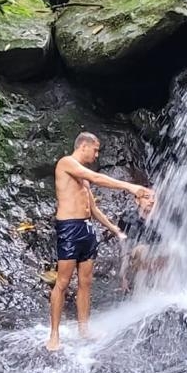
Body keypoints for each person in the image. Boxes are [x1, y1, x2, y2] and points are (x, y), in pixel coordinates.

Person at [48, 131, 152, 351]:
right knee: (63, 282)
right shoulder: (66, 163)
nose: (96, 155)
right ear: (83, 146)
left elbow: (93, 209)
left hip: (86, 228)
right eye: (95, 150)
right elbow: (98, 178)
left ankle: (84, 329)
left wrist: (114, 229)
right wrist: (130, 187)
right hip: (69, 228)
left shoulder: (82, 178)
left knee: (86, 282)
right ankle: (54, 335)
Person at [117, 189, 167, 292]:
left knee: (176, 249)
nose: (152, 201)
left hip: (154, 258)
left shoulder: (160, 221)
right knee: (142, 249)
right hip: (135, 259)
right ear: (137, 200)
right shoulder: (129, 218)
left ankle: (166, 289)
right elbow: (125, 245)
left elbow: (163, 244)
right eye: (147, 197)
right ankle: (139, 288)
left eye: (154, 198)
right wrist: (123, 276)